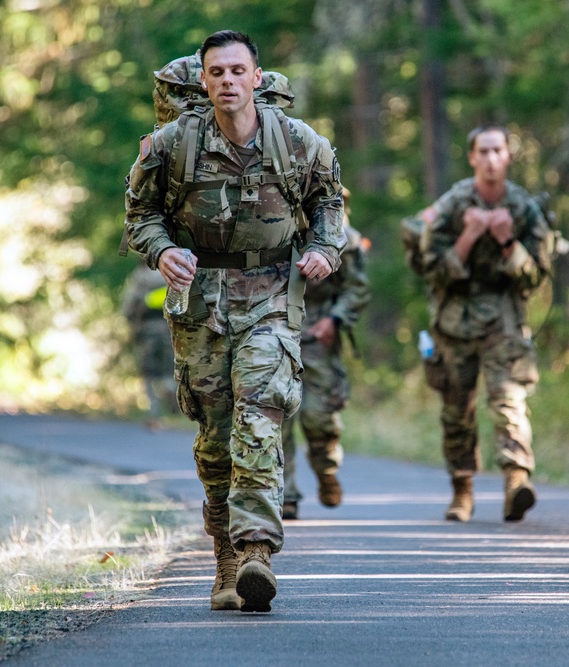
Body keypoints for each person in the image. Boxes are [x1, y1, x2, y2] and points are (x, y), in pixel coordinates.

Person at [124, 30, 346, 613]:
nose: (227, 81)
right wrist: (160, 250)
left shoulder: (300, 143)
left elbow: (329, 205)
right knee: (215, 438)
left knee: (260, 414)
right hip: (199, 303)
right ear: (204, 81)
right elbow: (140, 215)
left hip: (272, 294)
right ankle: (224, 554)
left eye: (236, 70)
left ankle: (256, 551)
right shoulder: (172, 145)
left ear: (256, 76)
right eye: (216, 72)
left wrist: (325, 248)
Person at [414, 125, 552, 524]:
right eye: (484, 152)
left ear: (508, 156)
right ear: (472, 157)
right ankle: (462, 491)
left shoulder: (524, 208)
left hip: (503, 320)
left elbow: (536, 277)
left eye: (498, 151)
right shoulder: (453, 204)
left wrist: (509, 242)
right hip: (454, 322)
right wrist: (469, 237)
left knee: (509, 400)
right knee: (456, 411)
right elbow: (430, 268)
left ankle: (515, 482)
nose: (491, 159)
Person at [282, 188, 370, 520]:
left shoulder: (344, 237)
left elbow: (356, 287)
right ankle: (286, 494)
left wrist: (335, 320)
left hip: (319, 331)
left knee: (319, 417)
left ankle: (326, 468)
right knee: (277, 413)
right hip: (275, 324)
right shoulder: (273, 226)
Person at [120, 262, 179, 429]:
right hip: (169, 331)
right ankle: (169, 388)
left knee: (148, 375)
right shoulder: (170, 273)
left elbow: (128, 307)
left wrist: (132, 324)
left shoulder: (140, 278)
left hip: (147, 333)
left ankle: (154, 414)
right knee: (169, 369)